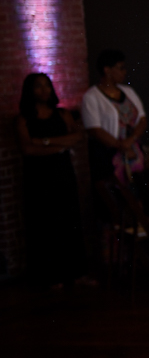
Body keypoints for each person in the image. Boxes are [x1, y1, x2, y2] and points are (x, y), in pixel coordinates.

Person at [17, 73, 89, 288]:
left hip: (63, 173)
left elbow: (76, 137)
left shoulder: (63, 114)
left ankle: (76, 272)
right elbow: (28, 149)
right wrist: (58, 147)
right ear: (30, 91)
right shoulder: (23, 119)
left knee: (70, 220)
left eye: (47, 86)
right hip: (38, 177)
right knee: (44, 223)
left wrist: (44, 142)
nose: (44, 90)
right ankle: (50, 276)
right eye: (38, 86)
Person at [82, 50, 146, 185]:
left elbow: (142, 119)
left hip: (133, 152)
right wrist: (120, 145)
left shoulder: (128, 92)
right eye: (120, 68)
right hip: (108, 156)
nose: (124, 72)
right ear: (107, 70)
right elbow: (95, 130)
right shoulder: (91, 97)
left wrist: (131, 140)